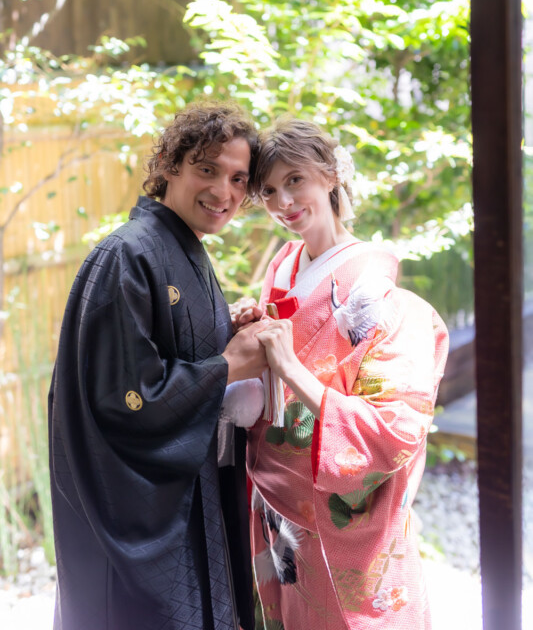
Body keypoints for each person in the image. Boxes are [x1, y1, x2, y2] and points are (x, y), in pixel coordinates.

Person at [48, 101, 269, 630]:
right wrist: (227, 366)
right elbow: (127, 400)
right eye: (207, 169)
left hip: (191, 500)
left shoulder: (183, 249)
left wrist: (228, 333)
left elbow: (175, 350)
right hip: (139, 520)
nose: (223, 192)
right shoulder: (127, 254)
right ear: (170, 165)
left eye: (238, 179)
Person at [241, 118, 449, 630]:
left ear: (331, 175)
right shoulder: (285, 264)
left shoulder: (376, 296)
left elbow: (395, 428)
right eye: (268, 191)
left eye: (295, 180)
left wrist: (289, 367)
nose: (283, 202)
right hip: (275, 500)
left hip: (337, 511)